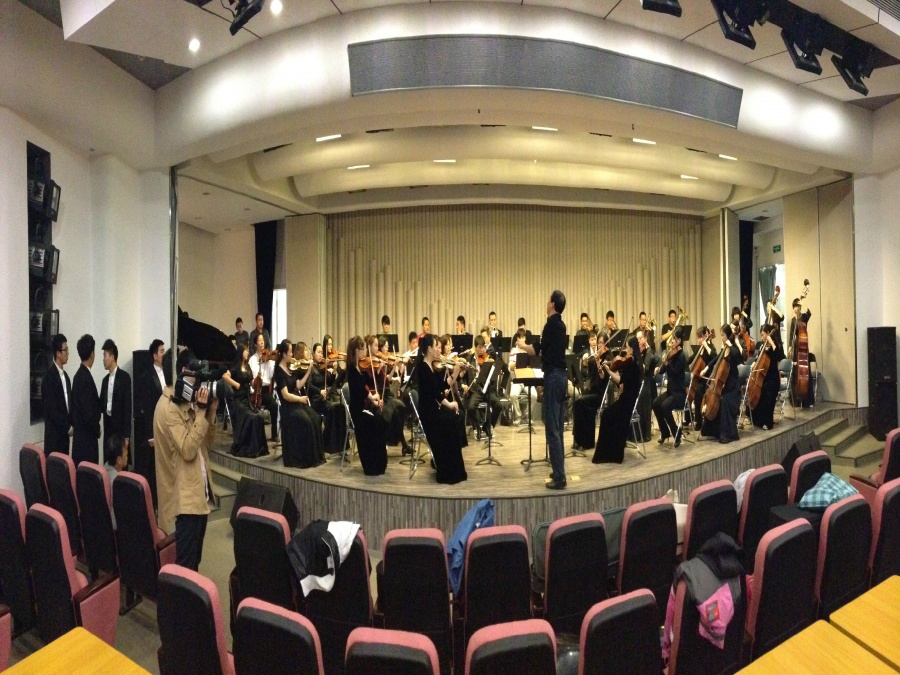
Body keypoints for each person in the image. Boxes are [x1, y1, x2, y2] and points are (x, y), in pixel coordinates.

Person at [154, 349, 218, 570]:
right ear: (184, 371)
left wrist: (210, 413)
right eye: (195, 373)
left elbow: (204, 445)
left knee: (193, 564)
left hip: (197, 496)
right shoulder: (169, 407)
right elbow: (189, 450)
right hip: (184, 502)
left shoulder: (184, 400)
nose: (199, 380)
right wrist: (200, 412)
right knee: (186, 568)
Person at [517, 290, 568, 489]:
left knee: (552, 429)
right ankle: (558, 469)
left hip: (553, 377)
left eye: (548, 300)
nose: (546, 303)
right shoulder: (562, 326)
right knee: (558, 428)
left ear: (553, 304)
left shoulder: (550, 326)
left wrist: (522, 345)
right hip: (562, 377)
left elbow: (536, 350)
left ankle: (560, 477)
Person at [413, 334, 468, 484]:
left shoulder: (431, 367)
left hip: (434, 410)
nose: (439, 349)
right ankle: (447, 471)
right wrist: (449, 404)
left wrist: (455, 373)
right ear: (429, 349)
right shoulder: (423, 368)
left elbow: (442, 386)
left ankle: (454, 468)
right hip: (428, 414)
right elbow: (434, 393)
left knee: (455, 418)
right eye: (437, 347)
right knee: (450, 422)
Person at [274, 340, 325, 468]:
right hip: (288, 406)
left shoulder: (291, 368)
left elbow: (297, 386)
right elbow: (286, 395)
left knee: (315, 418)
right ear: (284, 354)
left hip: (297, 401)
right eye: (290, 352)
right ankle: (304, 458)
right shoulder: (279, 372)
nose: (292, 354)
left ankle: (316, 456)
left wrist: (308, 372)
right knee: (306, 422)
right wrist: (300, 399)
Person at [593, 336, 643, 464]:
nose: (625, 350)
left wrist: (608, 370)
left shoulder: (633, 365)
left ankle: (610, 453)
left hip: (627, 402)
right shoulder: (634, 363)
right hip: (626, 399)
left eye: (627, 347)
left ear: (632, 349)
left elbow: (620, 380)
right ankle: (610, 450)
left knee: (606, 414)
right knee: (607, 414)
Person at [346, 335, 388, 475]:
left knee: (379, 420)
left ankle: (380, 463)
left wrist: (374, 400)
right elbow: (361, 390)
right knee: (375, 422)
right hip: (357, 411)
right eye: (362, 349)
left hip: (363, 408)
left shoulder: (359, 368)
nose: (364, 352)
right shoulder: (352, 370)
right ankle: (372, 465)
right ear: (356, 351)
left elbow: (365, 387)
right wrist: (373, 397)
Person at [135, 338, 166, 507]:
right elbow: (147, 408)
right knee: (152, 468)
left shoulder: (168, 373)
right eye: (161, 351)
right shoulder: (147, 377)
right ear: (154, 355)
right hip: (153, 426)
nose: (164, 354)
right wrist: (150, 434)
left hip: (166, 425)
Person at [223, 344, 269, 458]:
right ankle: (247, 446)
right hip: (238, 401)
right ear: (241, 352)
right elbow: (225, 376)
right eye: (246, 351)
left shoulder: (248, 367)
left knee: (258, 417)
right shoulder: (235, 367)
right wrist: (236, 384)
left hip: (247, 399)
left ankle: (258, 447)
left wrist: (257, 379)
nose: (247, 353)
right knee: (251, 417)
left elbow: (252, 383)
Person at [700, 324, 743, 444]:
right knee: (716, 399)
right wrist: (706, 368)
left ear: (728, 335)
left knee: (723, 400)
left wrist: (731, 344)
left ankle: (727, 434)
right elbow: (716, 360)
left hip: (733, 388)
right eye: (721, 335)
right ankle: (713, 431)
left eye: (723, 335)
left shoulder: (733, 349)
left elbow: (738, 358)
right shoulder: (724, 349)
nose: (721, 338)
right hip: (725, 386)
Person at [572, 330, 610, 451]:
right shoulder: (595, 357)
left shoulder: (608, 357)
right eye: (599, 342)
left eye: (602, 343)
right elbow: (588, 372)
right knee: (578, 403)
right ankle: (583, 440)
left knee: (579, 403)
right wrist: (585, 363)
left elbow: (603, 376)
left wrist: (599, 363)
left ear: (606, 343)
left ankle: (580, 440)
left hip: (600, 394)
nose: (600, 345)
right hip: (592, 390)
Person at [308, 342, 348, 454]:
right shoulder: (311, 368)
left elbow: (331, 382)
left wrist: (334, 371)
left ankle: (340, 444)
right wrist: (319, 391)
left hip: (325, 399)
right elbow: (309, 385)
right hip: (316, 401)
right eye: (318, 352)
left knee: (340, 407)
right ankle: (328, 443)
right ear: (313, 354)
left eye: (322, 352)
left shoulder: (323, 368)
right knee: (334, 407)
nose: (321, 355)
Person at [464, 335, 505, 440]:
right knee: (471, 407)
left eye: (483, 347)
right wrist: (464, 385)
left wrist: (492, 368)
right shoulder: (469, 359)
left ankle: (488, 425)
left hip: (486, 389)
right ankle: (476, 427)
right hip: (475, 391)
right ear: (475, 347)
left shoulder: (487, 359)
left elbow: (492, 375)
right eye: (480, 347)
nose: (482, 350)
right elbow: (463, 376)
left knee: (499, 405)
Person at [653, 328, 687, 447]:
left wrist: (667, 364)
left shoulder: (681, 356)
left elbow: (675, 372)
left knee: (665, 406)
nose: (672, 341)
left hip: (679, 394)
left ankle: (676, 433)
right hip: (671, 392)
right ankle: (664, 432)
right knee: (655, 403)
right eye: (672, 338)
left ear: (679, 340)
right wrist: (659, 368)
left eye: (674, 339)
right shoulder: (671, 353)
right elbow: (664, 370)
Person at [72, 334, 102, 466]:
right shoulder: (85, 378)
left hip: (80, 439)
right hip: (86, 442)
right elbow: (88, 413)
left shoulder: (78, 376)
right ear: (92, 354)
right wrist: (97, 428)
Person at [750, 323, 786, 430]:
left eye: (763, 334)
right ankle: (757, 420)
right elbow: (758, 358)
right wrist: (754, 362)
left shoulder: (776, 346)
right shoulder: (763, 346)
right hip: (763, 378)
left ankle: (767, 422)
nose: (762, 337)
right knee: (758, 391)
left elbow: (781, 357)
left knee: (766, 391)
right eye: (761, 335)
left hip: (773, 379)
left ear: (768, 334)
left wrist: (772, 343)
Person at [41, 333, 72, 455]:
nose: (68, 353)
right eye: (65, 350)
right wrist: (67, 427)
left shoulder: (66, 377)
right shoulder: (48, 378)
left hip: (65, 438)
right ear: (58, 353)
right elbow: (52, 410)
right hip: (54, 438)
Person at [99, 338, 132, 446]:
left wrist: (127, 435)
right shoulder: (104, 381)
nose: (103, 359)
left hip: (120, 431)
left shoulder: (125, 378)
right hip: (108, 429)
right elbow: (101, 405)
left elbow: (127, 408)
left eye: (105, 355)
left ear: (112, 357)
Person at [248, 334, 278, 441]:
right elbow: (251, 378)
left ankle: (274, 434)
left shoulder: (269, 359)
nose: (262, 342)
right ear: (255, 344)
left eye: (263, 340)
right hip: (255, 390)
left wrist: (271, 362)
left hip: (265, 391)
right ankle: (256, 436)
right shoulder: (252, 360)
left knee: (274, 406)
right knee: (254, 410)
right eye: (259, 340)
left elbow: (271, 376)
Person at [688, 327, 717, 432]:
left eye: (700, 337)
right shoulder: (700, 349)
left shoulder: (711, 347)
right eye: (698, 338)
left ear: (705, 336)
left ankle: (699, 421)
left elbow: (714, 356)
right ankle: (689, 418)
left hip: (707, 378)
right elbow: (691, 359)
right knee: (687, 390)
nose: (698, 340)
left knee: (698, 392)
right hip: (699, 378)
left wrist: (706, 345)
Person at [635, 330, 659, 441]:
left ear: (645, 339)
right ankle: (637, 433)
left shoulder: (648, 352)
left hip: (648, 384)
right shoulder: (639, 351)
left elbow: (644, 368)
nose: (638, 341)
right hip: (641, 381)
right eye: (637, 339)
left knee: (644, 405)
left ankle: (646, 434)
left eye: (640, 338)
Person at [103, 433, 128, 529]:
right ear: (119, 460)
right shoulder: (117, 483)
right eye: (125, 450)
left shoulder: (103, 471)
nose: (127, 453)